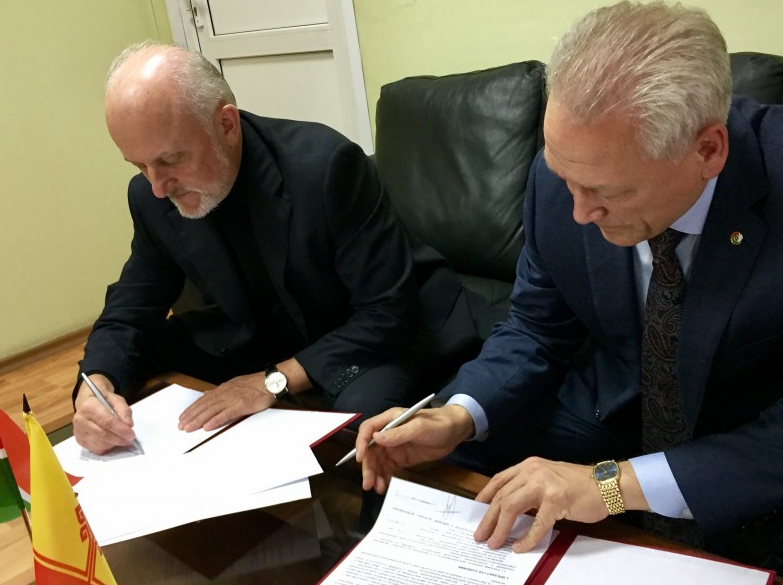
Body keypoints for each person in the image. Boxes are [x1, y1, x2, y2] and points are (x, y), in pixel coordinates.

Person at [355, 1, 783, 585]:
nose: (579, 212)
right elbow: (536, 328)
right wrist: (457, 415)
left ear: (708, 150)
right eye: (566, 178)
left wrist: (610, 486)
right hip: (622, 403)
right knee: (452, 453)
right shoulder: (566, 175)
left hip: (768, 429)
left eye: (606, 191)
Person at [73, 42, 482, 454]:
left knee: (356, 432)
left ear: (226, 124)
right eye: (139, 166)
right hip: (265, 332)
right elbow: (130, 308)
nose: (158, 187)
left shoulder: (326, 166)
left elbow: (387, 312)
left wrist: (272, 381)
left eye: (170, 160)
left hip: (377, 331)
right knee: (139, 353)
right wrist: (95, 388)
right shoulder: (150, 197)